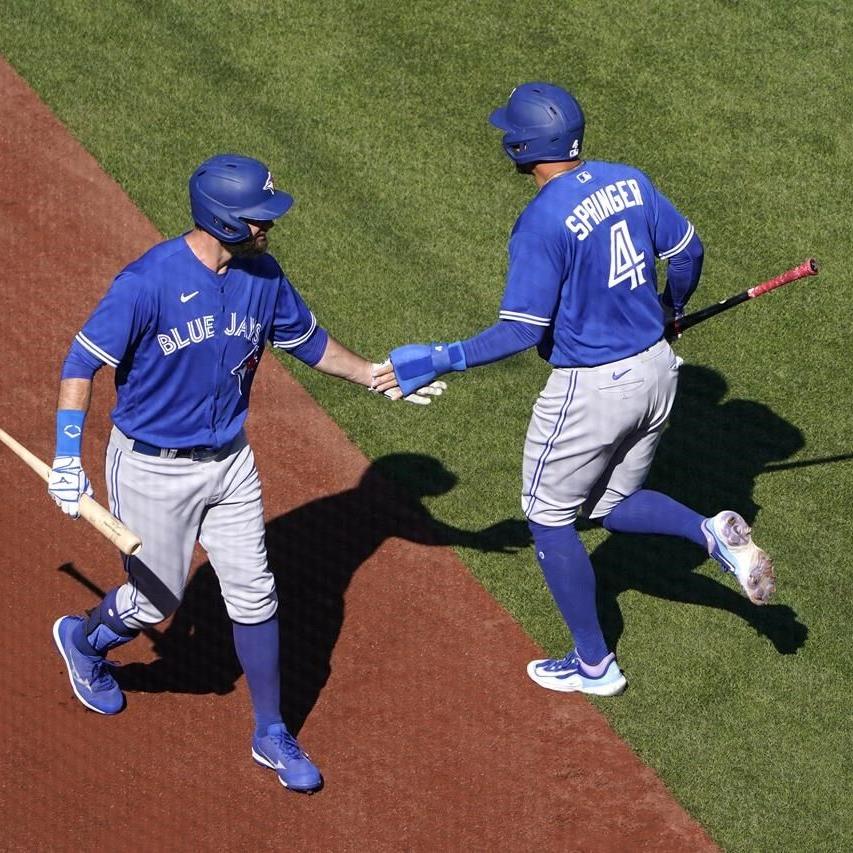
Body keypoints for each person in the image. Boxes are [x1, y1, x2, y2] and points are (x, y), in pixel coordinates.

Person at [48, 153, 443, 794]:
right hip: (152, 468)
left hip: (230, 463)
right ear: (224, 220)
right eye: (260, 218)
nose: (270, 227)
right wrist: (68, 457)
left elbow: (310, 344)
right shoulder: (147, 282)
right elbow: (79, 362)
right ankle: (85, 638)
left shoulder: (263, 275)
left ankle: (271, 733)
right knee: (154, 602)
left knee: (256, 594)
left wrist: (375, 375)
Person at [380, 82, 776, 697]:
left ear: (519, 146)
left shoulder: (540, 222)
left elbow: (521, 330)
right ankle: (711, 532)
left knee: (548, 517)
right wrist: (671, 308)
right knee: (610, 507)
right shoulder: (630, 180)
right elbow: (688, 250)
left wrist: (442, 358)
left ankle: (594, 664)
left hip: (592, 390)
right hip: (659, 371)